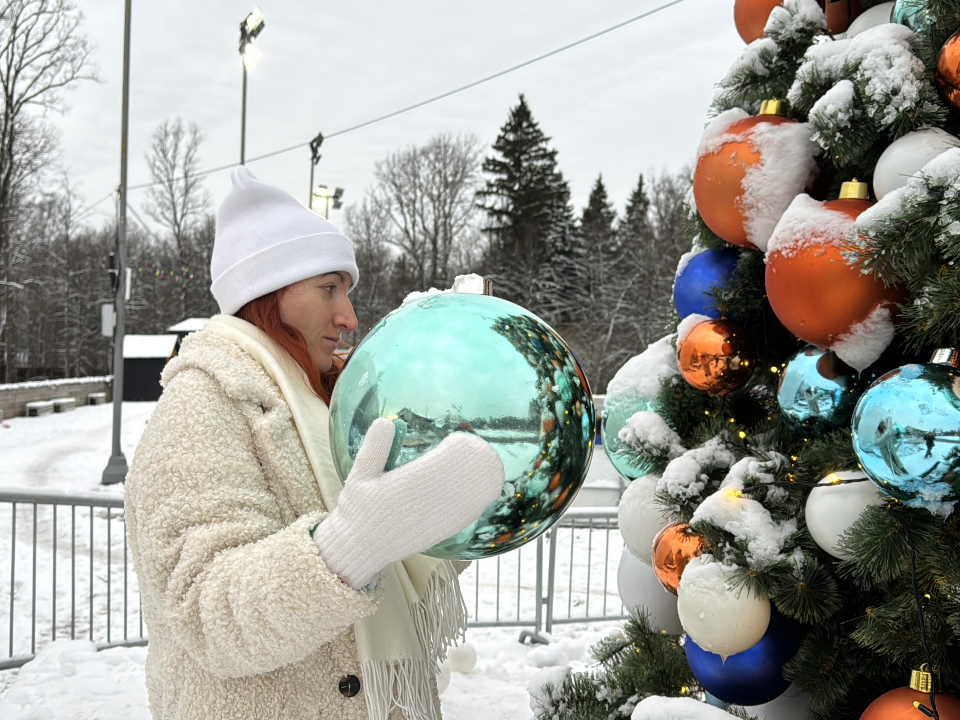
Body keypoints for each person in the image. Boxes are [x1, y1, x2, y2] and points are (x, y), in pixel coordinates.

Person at [125, 167, 505, 720]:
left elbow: (391, 557)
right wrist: (348, 548)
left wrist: (443, 510)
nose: (349, 317)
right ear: (267, 295)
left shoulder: (333, 403)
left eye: (346, 292)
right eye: (329, 288)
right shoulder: (200, 404)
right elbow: (207, 613)